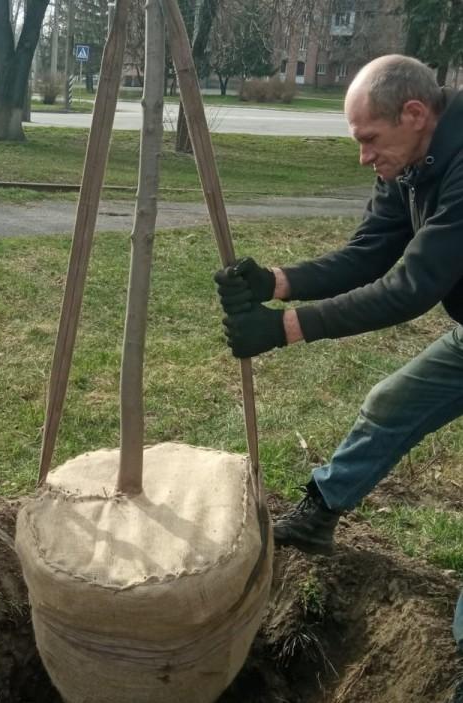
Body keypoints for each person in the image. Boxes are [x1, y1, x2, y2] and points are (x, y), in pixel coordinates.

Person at [214, 54, 463, 658]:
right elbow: (369, 252)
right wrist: (273, 283)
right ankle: (321, 511)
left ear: (414, 113)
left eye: (369, 140)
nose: (363, 157)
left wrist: (285, 330)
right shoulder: (410, 159)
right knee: (391, 403)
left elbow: (411, 287)